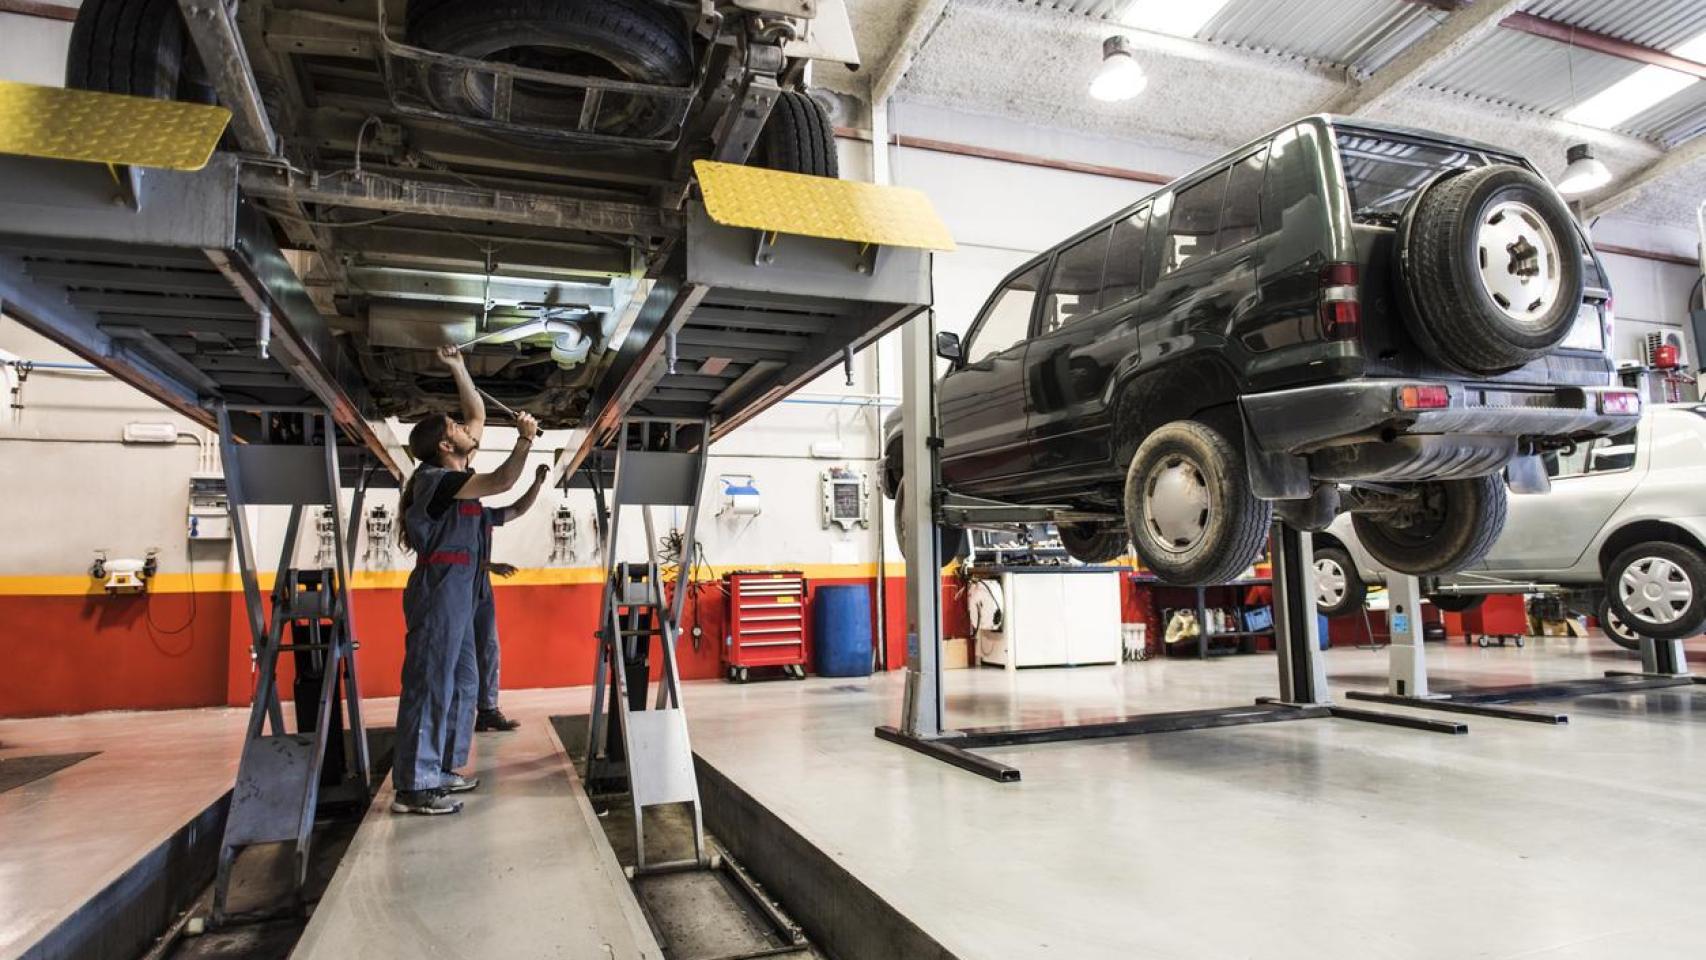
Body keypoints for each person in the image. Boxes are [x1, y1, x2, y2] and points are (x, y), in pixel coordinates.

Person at [392, 345, 538, 816]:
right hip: (439, 589)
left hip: (463, 589)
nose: (465, 428)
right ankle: (414, 785)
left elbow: (477, 414)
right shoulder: (438, 480)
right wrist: (524, 442)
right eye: (454, 428)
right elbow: (502, 481)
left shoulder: (455, 474)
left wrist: (457, 367)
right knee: (430, 681)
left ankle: (440, 768)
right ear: (444, 445)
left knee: (463, 682)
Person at [471, 465, 550, 733]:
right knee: (458, 654)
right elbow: (452, 554)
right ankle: (452, 714)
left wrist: (537, 483)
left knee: (489, 649)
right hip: (456, 589)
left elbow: (517, 509)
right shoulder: (450, 517)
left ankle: (487, 710)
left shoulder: (483, 516)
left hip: (481, 589)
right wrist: (490, 566)